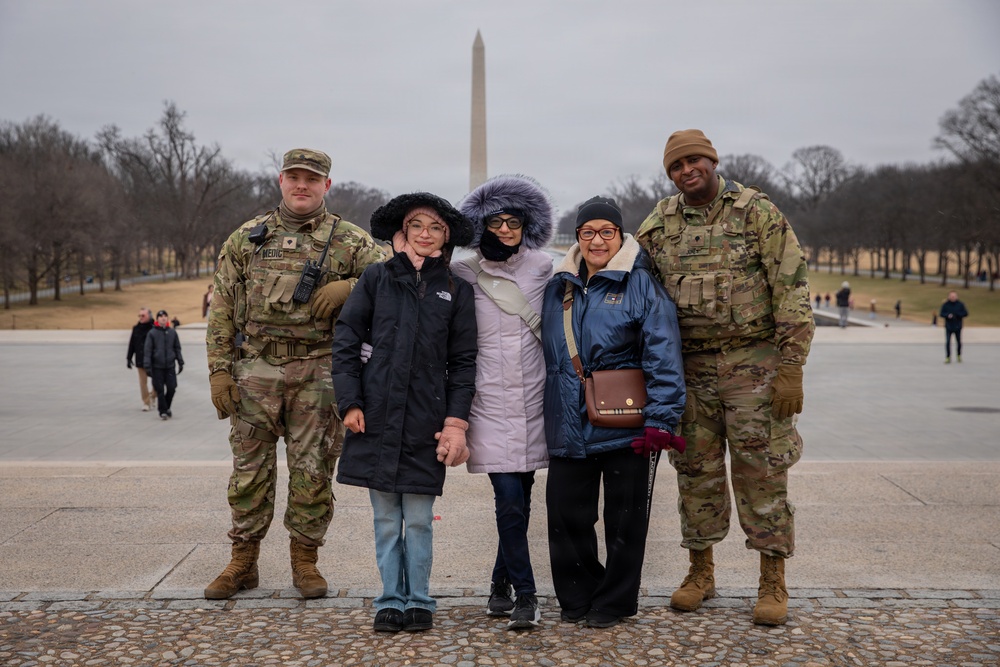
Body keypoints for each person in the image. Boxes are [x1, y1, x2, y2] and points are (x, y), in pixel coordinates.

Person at [636, 129, 814, 626]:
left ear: (712, 161)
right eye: (676, 166)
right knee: (696, 473)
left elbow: (792, 287)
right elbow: (636, 289)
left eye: (695, 160)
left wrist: (791, 366)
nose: (687, 170)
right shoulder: (659, 223)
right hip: (689, 370)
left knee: (763, 472)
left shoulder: (756, 212)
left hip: (752, 365)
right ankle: (700, 572)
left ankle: (772, 579)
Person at [204, 148, 385, 601]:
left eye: (312, 178)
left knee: (313, 470)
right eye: (294, 177)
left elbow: (395, 279)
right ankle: (243, 561)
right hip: (256, 370)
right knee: (248, 471)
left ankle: (305, 560)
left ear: (327, 185)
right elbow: (222, 309)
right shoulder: (247, 238)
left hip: (320, 369)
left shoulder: (351, 240)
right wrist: (219, 372)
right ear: (280, 181)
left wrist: (353, 285)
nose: (301, 185)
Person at [332, 193, 478, 634]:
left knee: (417, 520)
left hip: (424, 423)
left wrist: (455, 422)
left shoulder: (456, 289)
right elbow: (345, 341)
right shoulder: (377, 278)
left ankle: (419, 599)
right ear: (403, 232)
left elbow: (465, 363)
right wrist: (350, 401)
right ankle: (389, 599)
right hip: (375, 416)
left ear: (445, 237)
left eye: (435, 228)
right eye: (418, 226)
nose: (426, 234)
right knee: (384, 520)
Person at [542, 196, 686, 629]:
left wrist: (661, 420)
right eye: (588, 232)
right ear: (578, 237)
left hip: (628, 425)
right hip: (569, 420)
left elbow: (663, 354)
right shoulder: (558, 286)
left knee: (626, 523)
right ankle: (577, 595)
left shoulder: (640, 285)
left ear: (620, 236)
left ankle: (616, 601)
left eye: (607, 231)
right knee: (566, 517)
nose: (597, 240)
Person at [452, 174, 554, 630]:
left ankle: (499, 584)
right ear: (481, 226)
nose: (506, 229)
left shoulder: (544, 267)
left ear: (527, 224)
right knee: (509, 499)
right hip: (488, 402)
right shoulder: (463, 273)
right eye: (496, 222)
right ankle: (527, 597)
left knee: (521, 500)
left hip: (533, 398)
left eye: (514, 220)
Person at [143, 309, 183, 420]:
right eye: (161, 316)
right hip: (157, 367)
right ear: (157, 319)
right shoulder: (152, 333)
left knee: (172, 388)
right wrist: (147, 366)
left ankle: (166, 406)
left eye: (165, 316)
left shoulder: (172, 332)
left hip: (170, 366)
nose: (163, 318)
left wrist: (180, 362)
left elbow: (177, 348)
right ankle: (163, 411)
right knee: (159, 389)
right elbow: (148, 351)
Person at [126, 307, 156, 411]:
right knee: (143, 383)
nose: (141, 317)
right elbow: (132, 344)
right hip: (140, 359)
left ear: (149, 316)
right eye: (140, 315)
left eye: (143, 315)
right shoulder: (136, 328)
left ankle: (153, 395)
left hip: (153, 360)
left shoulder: (154, 328)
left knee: (157, 381)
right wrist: (129, 358)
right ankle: (146, 402)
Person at [940, 291, 968, 363]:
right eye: (951, 296)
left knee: (959, 342)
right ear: (949, 297)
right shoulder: (946, 305)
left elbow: (965, 313)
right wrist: (947, 315)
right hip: (948, 326)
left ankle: (959, 355)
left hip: (958, 326)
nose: (953, 297)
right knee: (948, 342)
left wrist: (958, 315)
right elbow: (941, 313)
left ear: (956, 297)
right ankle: (948, 356)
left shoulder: (960, 304)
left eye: (954, 296)